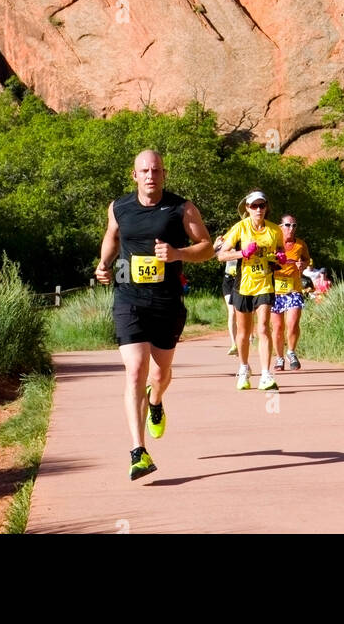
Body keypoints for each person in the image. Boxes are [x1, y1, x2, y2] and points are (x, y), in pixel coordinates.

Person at [96, 149, 214, 481]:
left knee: (159, 376)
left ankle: (156, 401)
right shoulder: (119, 207)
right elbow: (112, 237)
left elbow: (206, 246)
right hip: (128, 299)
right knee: (135, 370)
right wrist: (104, 265)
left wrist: (178, 253)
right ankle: (138, 452)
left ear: (164, 174)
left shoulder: (182, 207)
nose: (151, 175)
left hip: (166, 302)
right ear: (134, 175)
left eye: (157, 170)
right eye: (144, 170)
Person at [217, 191, 285, 391]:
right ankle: (244, 368)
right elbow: (221, 255)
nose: (258, 210)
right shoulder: (240, 228)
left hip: (265, 283)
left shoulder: (274, 230)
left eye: (261, 206)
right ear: (247, 208)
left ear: (266, 208)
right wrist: (242, 253)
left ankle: (265, 374)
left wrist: (279, 257)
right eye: (254, 206)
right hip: (243, 285)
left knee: (263, 327)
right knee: (244, 333)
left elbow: (279, 251)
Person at [271, 214, 312, 372]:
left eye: (294, 225)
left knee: (293, 323)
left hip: (293, 289)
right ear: (280, 226)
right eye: (288, 225)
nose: (291, 229)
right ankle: (279, 357)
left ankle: (291, 352)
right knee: (278, 327)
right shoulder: (274, 243)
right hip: (275, 290)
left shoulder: (300, 245)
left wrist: (303, 264)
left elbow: (307, 260)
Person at [213, 235, 240, 355]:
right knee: (232, 312)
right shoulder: (226, 246)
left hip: (240, 280)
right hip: (228, 280)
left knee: (242, 313)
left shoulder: (244, 244)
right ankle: (234, 344)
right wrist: (215, 245)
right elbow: (214, 255)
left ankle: (248, 336)